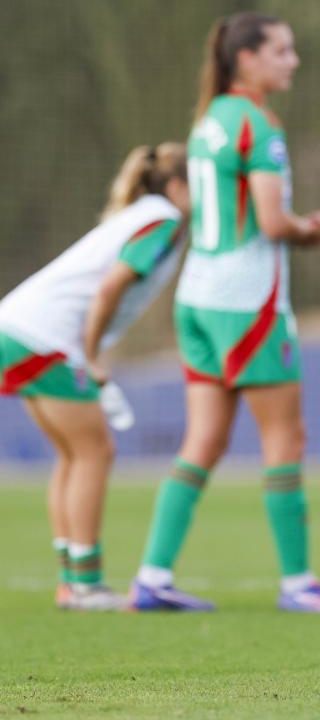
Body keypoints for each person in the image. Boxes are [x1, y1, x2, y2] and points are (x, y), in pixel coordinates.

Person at [129, 12, 320, 615]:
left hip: (198, 296)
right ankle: (299, 583)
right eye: (282, 51)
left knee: (203, 441)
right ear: (247, 60)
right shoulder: (257, 124)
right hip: (246, 301)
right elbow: (270, 221)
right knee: (285, 437)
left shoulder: (209, 120)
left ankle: (152, 576)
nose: (294, 60)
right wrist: (308, 229)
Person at [0, 144, 191, 611]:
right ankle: (84, 585)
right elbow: (110, 287)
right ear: (178, 187)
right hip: (45, 337)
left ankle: (73, 579)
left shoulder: (144, 212)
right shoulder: (163, 219)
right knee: (93, 451)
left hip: (18, 328)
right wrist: (91, 358)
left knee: (72, 454)